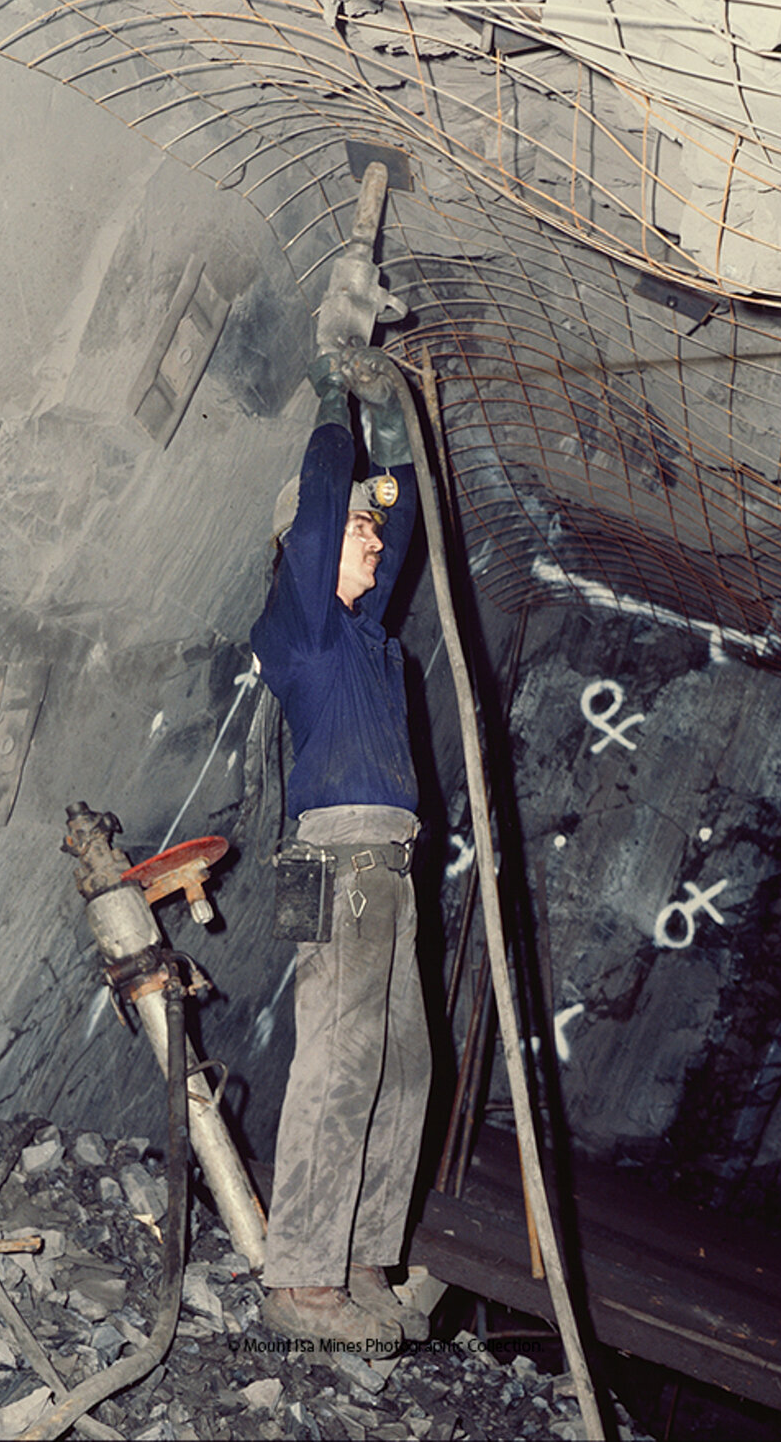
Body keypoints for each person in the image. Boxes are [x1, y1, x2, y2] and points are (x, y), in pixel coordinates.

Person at [249, 348, 431, 1350]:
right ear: (305, 549)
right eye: (354, 529)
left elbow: (395, 517)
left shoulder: (361, 635)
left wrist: (391, 421)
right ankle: (303, 1280)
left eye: (367, 527)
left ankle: (361, 1259)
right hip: (341, 863)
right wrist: (333, 397)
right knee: (340, 1062)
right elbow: (329, 503)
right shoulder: (301, 627)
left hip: (388, 869)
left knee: (404, 1065)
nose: (370, 536)